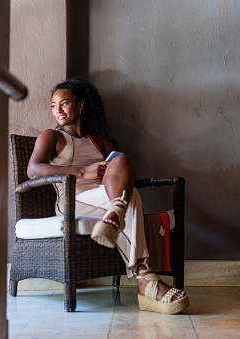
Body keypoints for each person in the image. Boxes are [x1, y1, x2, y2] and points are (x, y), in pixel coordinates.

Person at [27, 77, 189, 314]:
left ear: (80, 105)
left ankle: (116, 214)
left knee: (123, 163)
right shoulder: (52, 136)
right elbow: (33, 169)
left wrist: (112, 170)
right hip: (74, 199)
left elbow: (124, 170)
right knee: (130, 196)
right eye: (53, 105)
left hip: (105, 195)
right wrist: (83, 171)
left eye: (64, 103)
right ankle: (146, 280)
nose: (58, 110)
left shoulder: (98, 140)